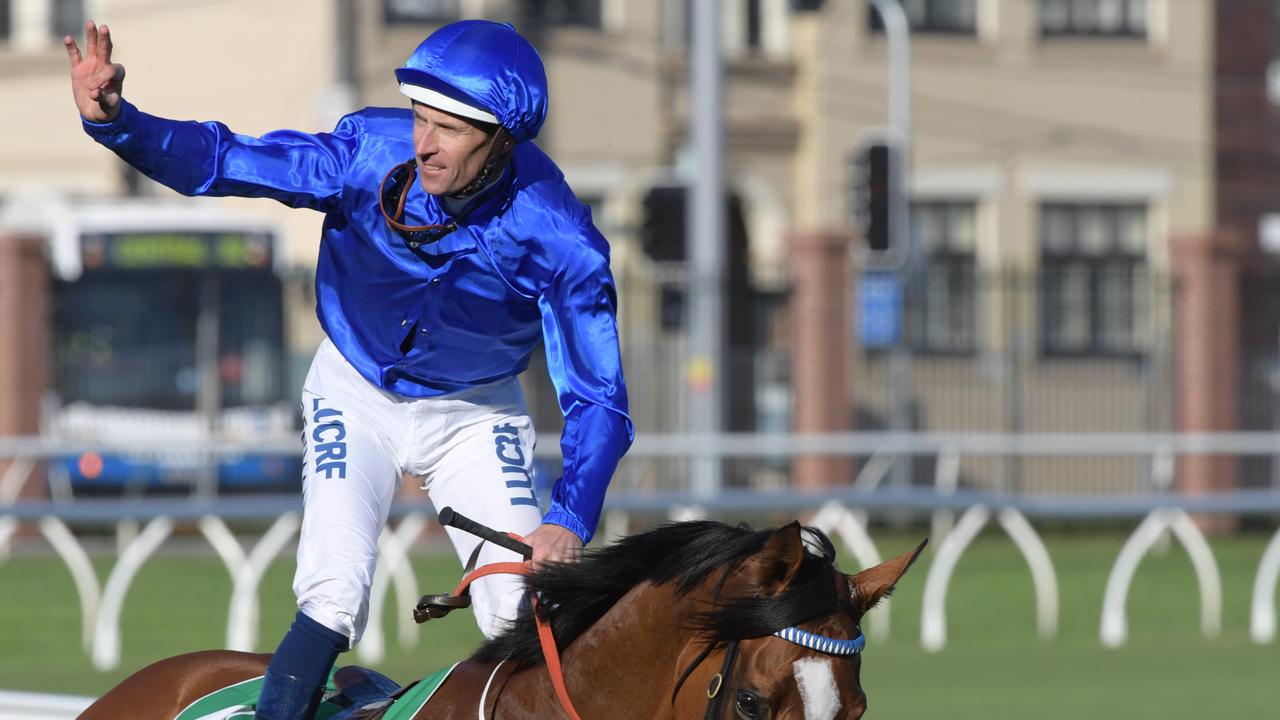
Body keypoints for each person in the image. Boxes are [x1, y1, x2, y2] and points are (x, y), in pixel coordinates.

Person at [65, 17, 633, 720]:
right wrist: (121, 122)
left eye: (450, 130)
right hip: (354, 391)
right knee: (334, 594)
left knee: (528, 612)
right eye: (421, 117)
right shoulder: (367, 151)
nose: (424, 143)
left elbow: (599, 399)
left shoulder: (564, 242)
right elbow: (226, 160)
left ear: (503, 141)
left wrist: (570, 519)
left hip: (474, 413)